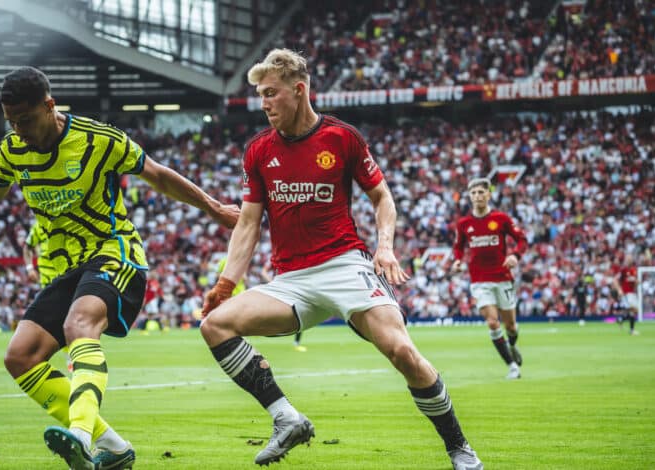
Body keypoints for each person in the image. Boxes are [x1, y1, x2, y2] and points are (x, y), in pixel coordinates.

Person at [0, 66, 238, 470]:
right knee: (20, 357)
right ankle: (111, 446)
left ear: (49, 105)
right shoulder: (12, 149)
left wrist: (215, 209)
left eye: (24, 120)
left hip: (115, 253)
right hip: (66, 267)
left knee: (80, 325)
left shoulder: (100, 140)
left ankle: (78, 435)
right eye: (12, 122)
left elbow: (158, 175)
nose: (19, 130)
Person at [200, 49, 482, 469]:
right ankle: (287, 419)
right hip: (291, 279)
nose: (264, 104)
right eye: (260, 95)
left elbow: (382, 198)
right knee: (214, 326)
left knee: (402, 351)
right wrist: (226, 283)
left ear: (299, 90)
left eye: (271, 94)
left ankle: (460, 449)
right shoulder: (258, 151)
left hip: (345, 264)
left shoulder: (341, 137)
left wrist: (384, 246)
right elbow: (248, 225)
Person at [451, 178, 527, 380]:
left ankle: (512, 345)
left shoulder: (501, 218)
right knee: (493, 322)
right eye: (473, 193)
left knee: (510, 326)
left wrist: (515, 256)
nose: (477, 196)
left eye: (480, 192)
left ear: (489, 194)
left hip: (502, 277)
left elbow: (522, 239)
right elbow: (458, 247)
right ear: (470, 196)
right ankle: (512, 366)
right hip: (479, 281)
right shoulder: (464, 224)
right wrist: (458, 261)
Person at [260, 259, 306, 351]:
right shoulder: (273, 259)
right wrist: (272, 282)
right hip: (277, 290)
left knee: (301, 311)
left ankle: (296, 342)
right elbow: (263, 272)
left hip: (292, 289)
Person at [23, 220, 57, 288]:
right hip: (48, 280)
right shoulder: (38, 226)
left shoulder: (67, 220)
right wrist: (30, 269)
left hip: (69, 275)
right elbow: (27, 248)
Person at [612, 256, 639, 335]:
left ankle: (620, 319)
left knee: (634, 311)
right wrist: (619, 290)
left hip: (632, 293)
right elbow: (615, 280)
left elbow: (634, 282)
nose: (629, 260)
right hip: (626, 294)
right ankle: (631, 330)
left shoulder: (634, 270)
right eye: (627, 259)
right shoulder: (623, 270)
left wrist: (636, 283)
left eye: (630, 259)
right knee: (632, 311)